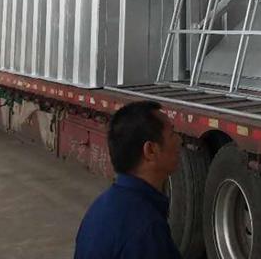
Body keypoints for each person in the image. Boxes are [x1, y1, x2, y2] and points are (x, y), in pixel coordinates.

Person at [75, 101, 182, 259]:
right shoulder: (145, 229)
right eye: (172, 134)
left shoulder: (100, 208)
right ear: (150, 150)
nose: (179, 141)